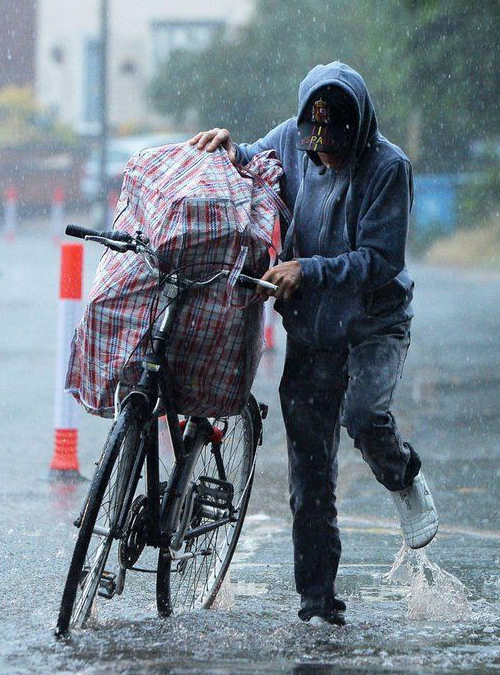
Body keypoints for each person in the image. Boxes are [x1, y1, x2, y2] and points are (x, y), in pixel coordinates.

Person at [189, 61, 437, 626]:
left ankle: (402, 476)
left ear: (359, 132)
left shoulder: (388, 168)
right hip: (313, 328)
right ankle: (318, 604)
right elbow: (251, 162)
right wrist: (228, 149)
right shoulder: (290, 140)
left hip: (374, 323)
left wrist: (309, 269)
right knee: (309, 477)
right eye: (316, 149)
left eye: (336, 149)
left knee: (365, 416)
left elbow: (381, 260)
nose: (324, 158)